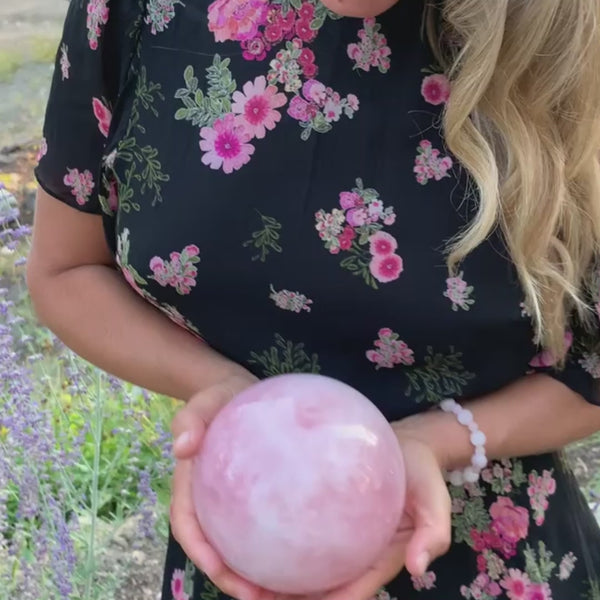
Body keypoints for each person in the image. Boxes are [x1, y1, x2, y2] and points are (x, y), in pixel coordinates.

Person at [26, 0, 600, 598]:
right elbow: (65, 270)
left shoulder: (573, 33)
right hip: (245, 545)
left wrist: (447, 438)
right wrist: (226, 393)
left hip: (494, 566)